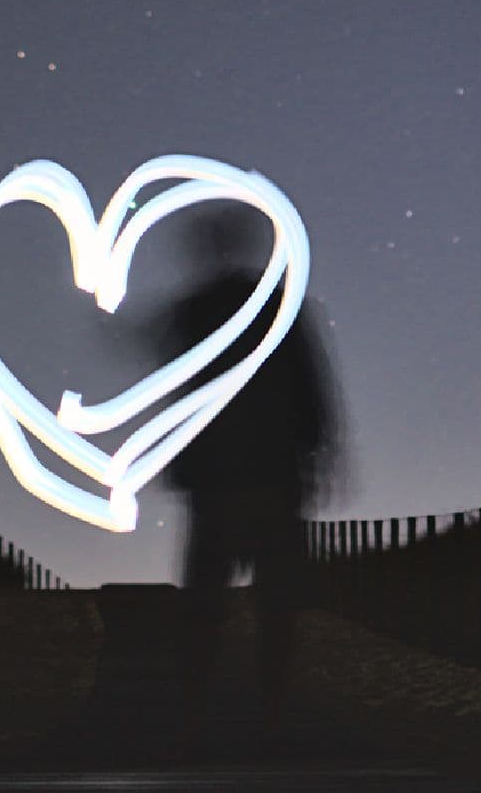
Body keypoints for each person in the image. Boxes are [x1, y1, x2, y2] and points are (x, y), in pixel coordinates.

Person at [144, 202, 344, 749]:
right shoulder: (277, 307)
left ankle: (197, 716)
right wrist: (322, 451)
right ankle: (268, 713)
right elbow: (312, 386)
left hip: (221, 480)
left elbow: (173, 387)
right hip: (268, 475)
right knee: (273, 606)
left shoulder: (197, 310)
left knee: (208, 606)